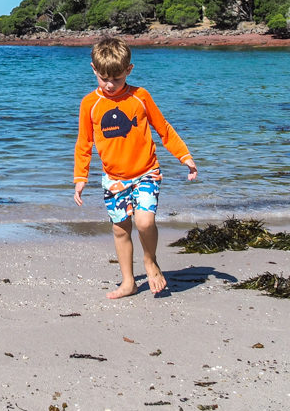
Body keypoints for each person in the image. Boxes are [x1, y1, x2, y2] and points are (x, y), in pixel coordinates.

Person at [73, 38, 197, 298]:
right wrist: (80, 177)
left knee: (144, 221)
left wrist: (184, 157)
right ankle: (128, 282)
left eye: (117, 79)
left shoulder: (140, 97)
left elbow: (164, 130)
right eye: (104, 78)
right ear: (94, 70)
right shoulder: (89, 104)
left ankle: (150, 261)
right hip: (113, 179)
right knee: (120, 229)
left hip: (146, 172)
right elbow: (84, 143)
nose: (110, 85)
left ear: (129, 70)